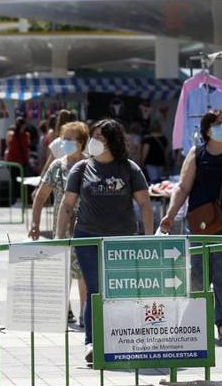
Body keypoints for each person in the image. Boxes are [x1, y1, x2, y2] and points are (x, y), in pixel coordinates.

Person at [158, 109, 222, 343]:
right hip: (200, 222)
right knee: (197, 275)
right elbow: (182, 188)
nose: (221, 127)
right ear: (206, 129)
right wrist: (170, 215)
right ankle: (197, 321)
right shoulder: (197, 154)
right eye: (216, 124)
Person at [56, 119, 154, 364]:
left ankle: (123, 340)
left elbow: (144, 204)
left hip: (122, 240)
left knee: (122, 291)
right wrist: (59, 238)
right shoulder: (81, 168)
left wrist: (148, 238)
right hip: (88, 237)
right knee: (95, 290)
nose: (94, 141)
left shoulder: (129, 169)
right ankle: (92, 342)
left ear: (112, 141)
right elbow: (67, 205)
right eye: (94, 136)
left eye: (100, 137)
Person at [28, 120, 90, 325]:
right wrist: (35, 224)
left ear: (81, 142)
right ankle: (64, 311)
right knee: (63, 271)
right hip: (61, 229)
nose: (64, 142)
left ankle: (84, 313)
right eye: (63, 138)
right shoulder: (57, 165)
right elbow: (40, 195)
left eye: (69, 139)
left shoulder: (90, 166)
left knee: (82, 270)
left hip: (84, 227)